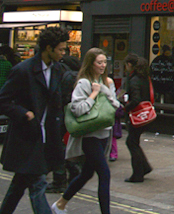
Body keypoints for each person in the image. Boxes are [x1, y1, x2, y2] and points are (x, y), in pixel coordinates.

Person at [0, 26, 68, 214]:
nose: (63, 53)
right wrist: (23, 113)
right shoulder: (23, 70)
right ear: (48, 48)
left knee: (19, 184)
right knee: (38, 184)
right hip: (27, 137)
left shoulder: (57, 69)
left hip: (46, 137)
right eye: (61, 49)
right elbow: (3, 100)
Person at [52, 48, 121, 214]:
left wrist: (107, 93)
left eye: (105, 62)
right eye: (99, 62)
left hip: (104, 133)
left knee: (86, 174)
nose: (103, 65)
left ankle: (60, 204)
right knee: (104, 174)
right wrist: (94, 94)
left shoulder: (108, 82)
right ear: (91, 64)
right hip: (90, 135)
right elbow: (77, 109)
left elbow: (116, 108)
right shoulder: (84, 83)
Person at [46, 54, 82, 194]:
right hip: (70, 115)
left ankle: (61, 178)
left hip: (60, 114)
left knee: (56, 146)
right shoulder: (76, 75)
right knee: (59, 145)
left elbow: (60, 97)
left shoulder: (62, 73)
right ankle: (72, 170)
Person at [123, 54, 153, 183]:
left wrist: (126, 107)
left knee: (132, 142)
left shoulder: (134, 80)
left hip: (137, 116)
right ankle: (144, 167)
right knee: (133, 142)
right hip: (144, 115)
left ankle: (138, 174)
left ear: (130, 65)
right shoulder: (144, 78)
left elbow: (136, 99)